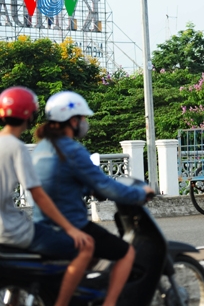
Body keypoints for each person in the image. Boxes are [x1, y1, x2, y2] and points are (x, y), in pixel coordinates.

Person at [31, 90, 154, 306]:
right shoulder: (71, 150)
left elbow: (62, 185)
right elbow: (105, 185)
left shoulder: (42, 148)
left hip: (43, 225)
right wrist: (139, 194)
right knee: (125, 253)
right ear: (72, 120)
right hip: (71, 225)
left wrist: (87, 190)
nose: (85, 123)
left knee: (97, 257)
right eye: (83, 118)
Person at [0, 86, 94, 306]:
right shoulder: (17, 147)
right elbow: (38, 194)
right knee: (86, 246)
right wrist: (71, 229)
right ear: (30, 115)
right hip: (12, 231)